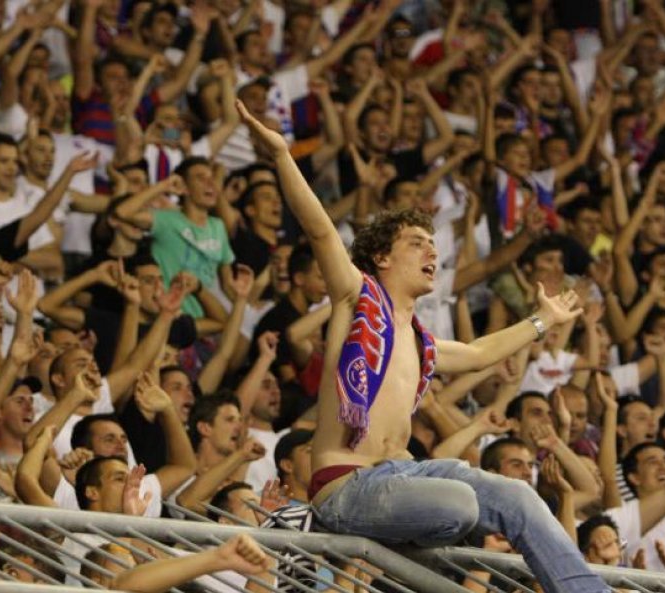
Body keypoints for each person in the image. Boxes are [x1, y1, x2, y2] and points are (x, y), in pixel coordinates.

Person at [236, 99, 608, 592]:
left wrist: (544, 319)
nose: (432, 250)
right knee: (461, 504)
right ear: (381, 257)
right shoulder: (355, 297)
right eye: (417, 242)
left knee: (517, 497)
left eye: (433, 243)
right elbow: (321, 229)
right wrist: (283, 156)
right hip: (348, 488)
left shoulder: (421, 341)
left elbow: (478, 354)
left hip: (406, 476)